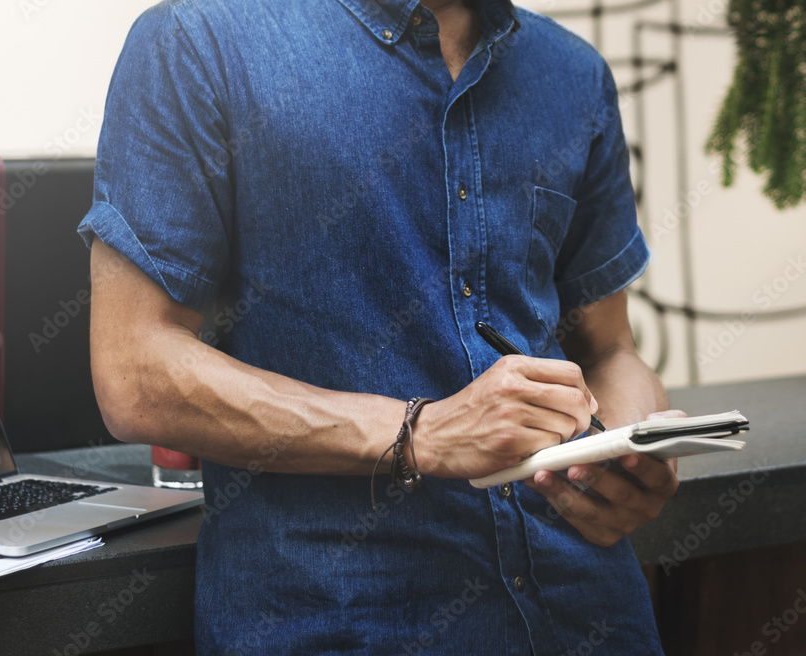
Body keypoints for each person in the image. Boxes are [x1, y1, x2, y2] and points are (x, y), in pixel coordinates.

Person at [78, 0, 680, 652]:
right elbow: (134, 371)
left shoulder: (574, 72)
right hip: (340, 617)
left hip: (589, 614)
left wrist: (625, 450)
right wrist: (420, 433)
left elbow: (611, 347)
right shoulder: (196, 42)